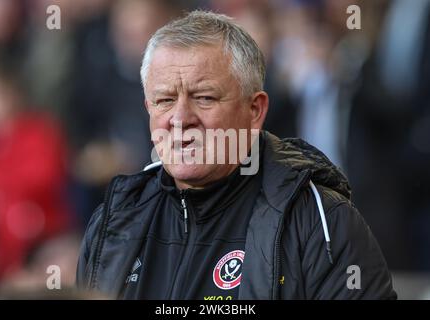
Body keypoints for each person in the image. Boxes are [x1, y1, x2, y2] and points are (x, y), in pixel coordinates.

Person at [76, 10, 396, 300]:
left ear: (254, 110)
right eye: (164, 100)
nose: (180, 118)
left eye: (204, 97)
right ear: (148, 109)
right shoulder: (115, 220)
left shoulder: (321, 221)